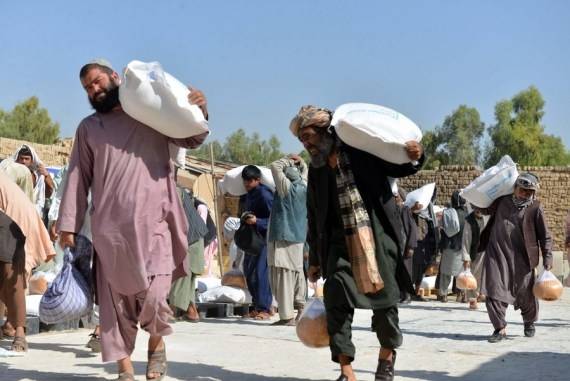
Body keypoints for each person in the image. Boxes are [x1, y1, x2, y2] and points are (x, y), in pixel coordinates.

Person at [57, 59, 208, 381]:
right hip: (110, 231)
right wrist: (68, 224)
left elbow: (193, 137)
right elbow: (77, 176)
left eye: (97, 82)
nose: (94, 90)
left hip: (156, 222)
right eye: (87, 88)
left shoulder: (149, 114)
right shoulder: (89, 128)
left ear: (114, 77)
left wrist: (200, 108)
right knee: (114, 306)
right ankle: (125, 368)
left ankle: (156, 344)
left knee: (156, 295)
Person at [291, 105, 423, 381]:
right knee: (336, 297)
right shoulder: (315, 169)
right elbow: (314, 215)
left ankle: (386, 357)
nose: (305, 143)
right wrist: (315, 258)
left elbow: (397, 165)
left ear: (325, 131)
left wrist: (415, 156)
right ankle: (346, 369)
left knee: (386, 304)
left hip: (377, 236)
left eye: (308, 135)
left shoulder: (361, 152)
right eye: (301, 139)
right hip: (339, 244)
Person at [479, 172, 553, 343]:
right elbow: (483, 208)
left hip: (523, 257)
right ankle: (499, 327)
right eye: (522, 190)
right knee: (493, 290)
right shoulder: (501, 202)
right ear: (515, 188)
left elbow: (545, 236)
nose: (525, 194)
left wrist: (547, 260)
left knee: (526, 292)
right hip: (497, 254)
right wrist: (474, 196)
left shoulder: (535, 208)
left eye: (529, 192)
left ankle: (529, 322)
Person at [0, 172, 55, 351]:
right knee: (9, 282)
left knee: (13, 280)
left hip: (11, 228)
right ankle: (9, 328)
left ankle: (20, 335)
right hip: (14, 223)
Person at [267, 155, 308, 325]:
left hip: (284, 236)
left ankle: (286, 316)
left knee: (283, 275)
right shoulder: (304, 186)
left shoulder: (286, 189)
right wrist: (302, 163)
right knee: (297, 273)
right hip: (298, 238)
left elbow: (275, 166)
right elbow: (305, 173)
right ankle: (301, 308)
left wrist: (288, 161)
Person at [241, 165, 274, 320]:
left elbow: (275, 219)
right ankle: (257, 305)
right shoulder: (248, 195)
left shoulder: (264, 195)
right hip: (251, 239)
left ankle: (265, 309)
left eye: (249, 181)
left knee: (261, 273)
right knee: (248, 272)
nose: (246, 184)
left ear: (258, 180)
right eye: (245, 181)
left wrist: (257, 221)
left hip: (263, 239)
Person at [438, 191, 469, 303]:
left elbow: (442, 229)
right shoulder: (468, 214)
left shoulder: (448, 213)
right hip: (463, 247)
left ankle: (444, 295)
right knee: (461, 273)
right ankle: (462, 295)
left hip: (449, 246)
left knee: (446, 273)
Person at [390, 180, 418, 304]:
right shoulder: (393, 210)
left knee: (406, 271)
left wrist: (411, 246)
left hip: (406, 246)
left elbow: (412, 228)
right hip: (397, 246)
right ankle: (400, 294)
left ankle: (407, 295)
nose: (395, 199)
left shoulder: (405, 210)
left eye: (396, 197)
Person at [12, 144, 55, 216]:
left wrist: (46, 176)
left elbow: (49, 193)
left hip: (33, 214)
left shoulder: (38, 177)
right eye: (21, 158)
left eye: (26, 159)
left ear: (32, 161)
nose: (23, 161)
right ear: (17, 159)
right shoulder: (11, 174)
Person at [462, 206, 487, 309]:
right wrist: (466, 257)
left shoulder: (486, 218)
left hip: (485, 252)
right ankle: (472, 300)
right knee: (472, 276)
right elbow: (466, 240)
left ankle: (481, 295)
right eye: (477, 208)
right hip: (473, 253)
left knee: (483, 276)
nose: (479, 210)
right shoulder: (469, 221)